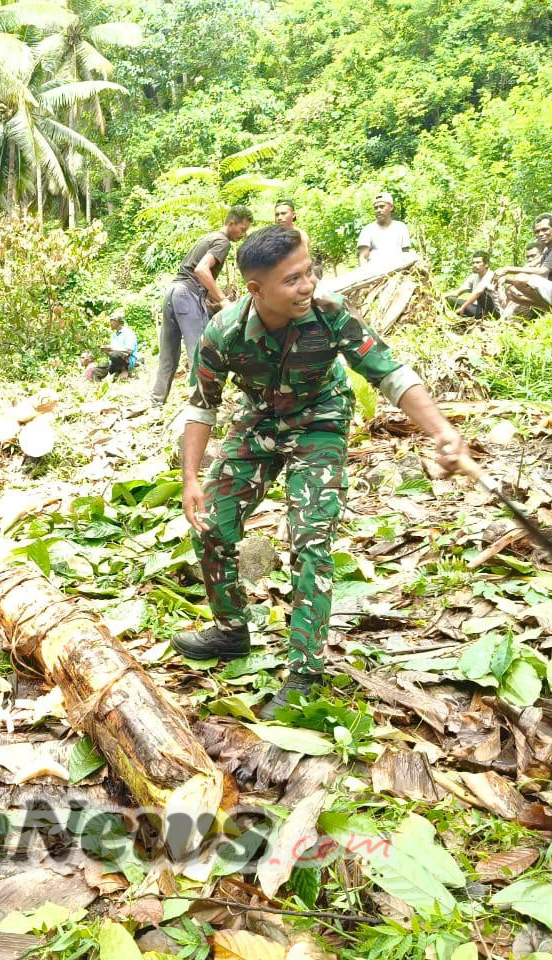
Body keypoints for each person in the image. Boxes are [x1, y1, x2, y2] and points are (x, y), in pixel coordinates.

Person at [173, 226, 466, 715]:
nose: (307, 286)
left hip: (320, 418)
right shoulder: (222, 333)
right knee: (211, 525)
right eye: (292, 280)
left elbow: (391, 374)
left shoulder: (331, 315)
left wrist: (441, 429)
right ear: (256, 290)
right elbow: (202, 407)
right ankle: (230, 631)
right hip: (260, 419)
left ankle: (304, 673)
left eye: (310, 272)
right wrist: (190, 481)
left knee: (310, 541)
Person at [151, 205, 253, 406]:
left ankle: (156, 402)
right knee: (199, 352)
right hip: (188, 294)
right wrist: (224, 301)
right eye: (242, 229)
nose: (243, 234)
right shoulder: (222, 242)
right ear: (231, 223)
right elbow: (201, 270)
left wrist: (208, 301)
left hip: (173, 291)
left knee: (168, 353)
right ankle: (201, 404)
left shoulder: (208, 237)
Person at [496, 214, 552, 317]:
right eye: (537, 231)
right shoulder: (547, 251)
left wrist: (507, 269)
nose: (541, 234)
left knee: (520, 278)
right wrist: (505, 279)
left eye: (545, 229)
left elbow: (543, 272)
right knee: (510, 292)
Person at [357, 192, 412, 266]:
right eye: (376, 208)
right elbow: (363, 257)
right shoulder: (367, 230)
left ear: (391, 207)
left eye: (382, 206)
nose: (378, 210)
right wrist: (364, 274)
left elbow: (406, 253)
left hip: (398, 272)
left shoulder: (401, 227)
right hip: (375, 273)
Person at [446, 251, 500, 318]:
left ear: (486, 264)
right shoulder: (473, 276)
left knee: (482, 294)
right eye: (473, 263)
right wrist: (442, 297)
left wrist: (463, 307)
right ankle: (469, 313)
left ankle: (483, 316)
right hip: (477, 308)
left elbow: (478, 292)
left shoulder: (491, 275)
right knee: (450, 299)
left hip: (492, 310)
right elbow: (458, 293)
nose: (474, 265)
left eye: (478, 262)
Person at [100, 313, 139, 379]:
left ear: (116, 322)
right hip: (115, 361)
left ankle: (124, 370)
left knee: (115, 354)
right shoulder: (114, 335)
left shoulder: (129, 333)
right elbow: (112, 353)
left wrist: (112, 349)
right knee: (96, 370)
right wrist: (106, 350)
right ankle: (116, 371)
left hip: (128, 360)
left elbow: (129, 351)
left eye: (111, 321)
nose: (110, 324)